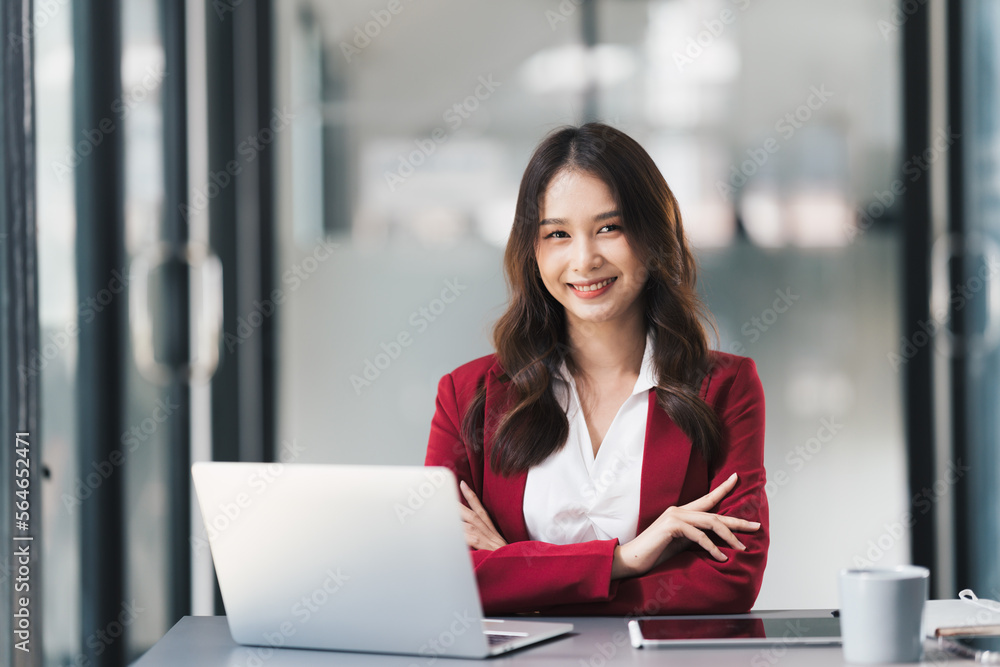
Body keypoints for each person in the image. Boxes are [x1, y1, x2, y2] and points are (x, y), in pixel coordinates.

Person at [424, 122, 768, 616]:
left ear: (653, 237)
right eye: (557, 234)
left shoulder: (725, 388)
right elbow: (440, 576)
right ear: (533, 252)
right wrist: (624, 561)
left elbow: (729, 580)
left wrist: (514, 569)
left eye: (610, 228)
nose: (584, 259)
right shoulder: (467, 395)